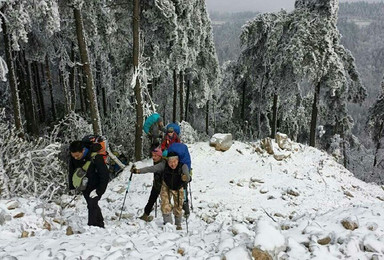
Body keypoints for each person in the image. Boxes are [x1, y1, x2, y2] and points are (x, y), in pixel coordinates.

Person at [131, 152, 190, 230]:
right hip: (166, 186)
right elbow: (151, 168)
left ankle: (178, 224)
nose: (173, 164)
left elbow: (188, 177)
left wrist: (185, 178)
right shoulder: (163, 165)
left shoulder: (183, 166)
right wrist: (137, 171)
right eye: (170, 162)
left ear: (178, 160)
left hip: (178, 187)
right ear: (167, 161)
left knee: (178, 206)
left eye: (175, 161)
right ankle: (168, 224)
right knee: (165, 205)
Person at [68, 140, 109, 228]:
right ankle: (100, 225)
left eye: (77, 155)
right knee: (91, 205)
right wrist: (71, 186)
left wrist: (99, 191)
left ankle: (92, 226)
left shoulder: (96, 157)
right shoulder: (73, 158)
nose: (75, 158)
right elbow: (71, 171)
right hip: (84, 186)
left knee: (92, 204)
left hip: (96, 185)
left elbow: (105, 175)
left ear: (83, 150)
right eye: (73, 156)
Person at [138, 148, 164, 222]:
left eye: (155, 156)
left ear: (160, 156)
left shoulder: (162, 163)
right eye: (153, 155)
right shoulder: (156, 161)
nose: (153, 157)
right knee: (151, 200)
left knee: (166, 203)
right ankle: (145, 215)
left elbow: (151, 169)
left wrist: (138, 171)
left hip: (164, 186)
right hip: (157, 184)